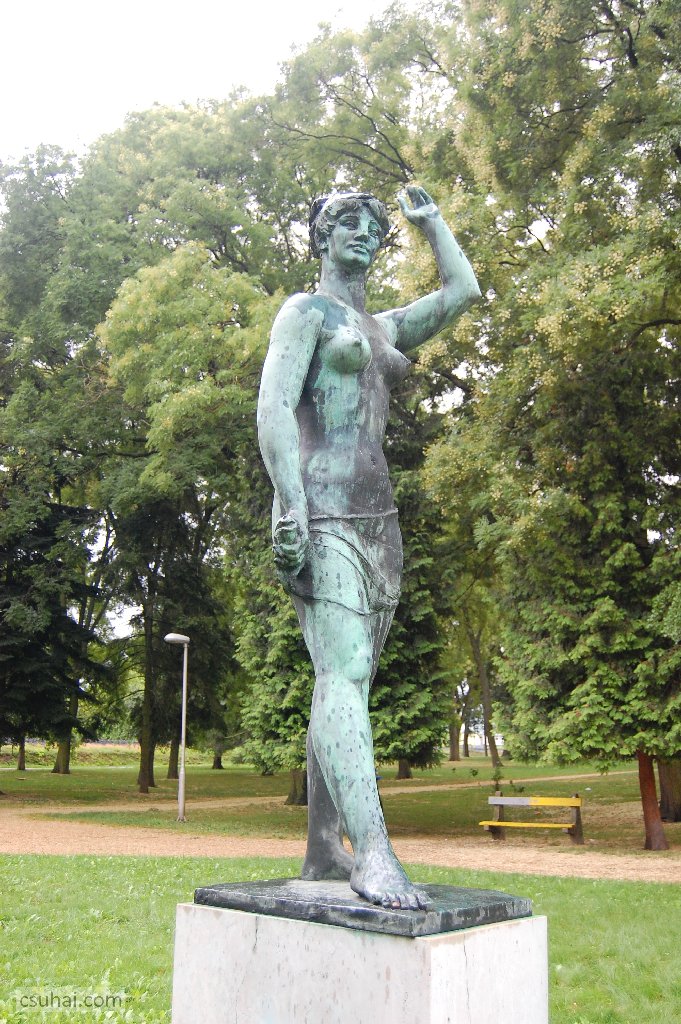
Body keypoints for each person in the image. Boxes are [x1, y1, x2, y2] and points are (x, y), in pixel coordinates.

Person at [257, 186, 480, 910]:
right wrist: (289, 503)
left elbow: (463, 292)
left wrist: (431, 224)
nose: (365, 234)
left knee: (345, 679)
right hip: (321, 512)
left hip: (379, 518)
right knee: (344, 672)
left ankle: (324, 846)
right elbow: (273, 407)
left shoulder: (380, 327)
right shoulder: (306, 313)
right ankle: (373, 853)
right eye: (348, 223)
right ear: (322, 235)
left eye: (374, 227)